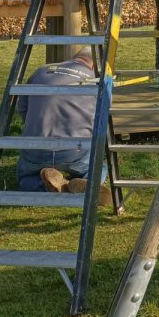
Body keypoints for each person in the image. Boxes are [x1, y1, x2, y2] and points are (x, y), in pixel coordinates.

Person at [16, 49, 111, 206]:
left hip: (35, 147)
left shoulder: (41, 70)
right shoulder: (97, 81)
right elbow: (103, 119)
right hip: (74, 151)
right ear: (94, 65)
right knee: (101, 168)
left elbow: (23, 109)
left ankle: (47, 186)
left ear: (75, 58)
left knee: (25, 178)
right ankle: (82, 183)